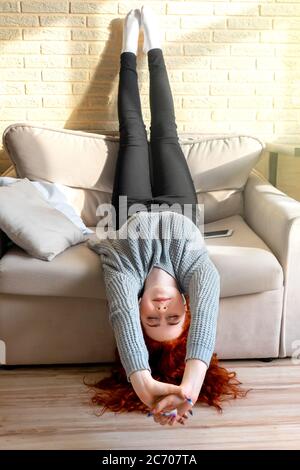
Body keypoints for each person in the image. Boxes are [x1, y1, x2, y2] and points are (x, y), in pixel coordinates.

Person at [86, 6, 249, 426]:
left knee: (133, 132)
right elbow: (207, 315)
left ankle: (126, 49)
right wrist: (189, 386)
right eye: (172, 317)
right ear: (186, 307)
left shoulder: (122, 268)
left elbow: (119, 317)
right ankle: (154, 44)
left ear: (139, 308)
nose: (161, 308)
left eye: (152, 319)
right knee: (166, 130)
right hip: (181, 206)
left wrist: (143, 382)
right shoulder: (197, 270)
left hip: (130, 208)